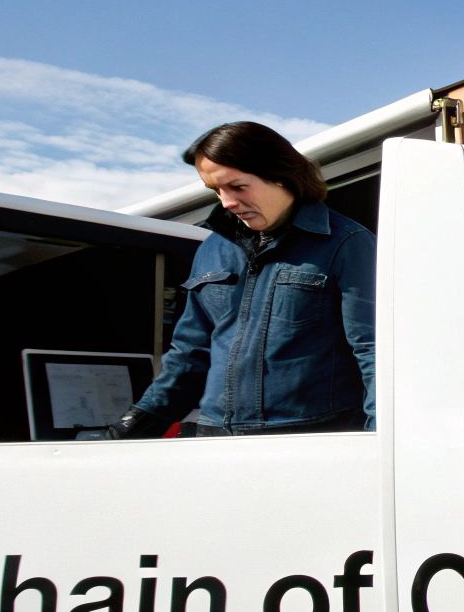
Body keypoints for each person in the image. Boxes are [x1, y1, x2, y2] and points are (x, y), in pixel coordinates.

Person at [107, 122, 376, 437]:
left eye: (237, 186)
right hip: (214, 435)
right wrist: (137, 422)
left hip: (306, 437)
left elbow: (373, 351)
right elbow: (190, 351)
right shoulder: (212, 249)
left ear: (279, 175)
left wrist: (378, 439)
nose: (226, 202)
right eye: (216, 190)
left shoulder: (347, 242)